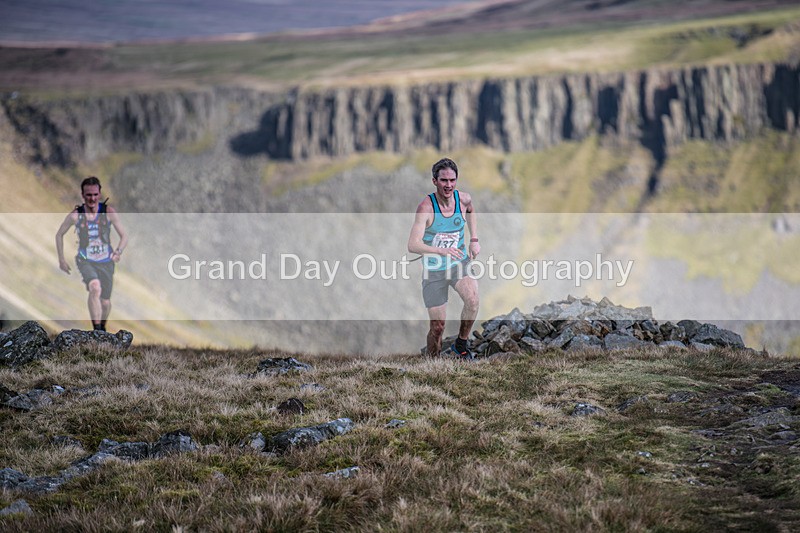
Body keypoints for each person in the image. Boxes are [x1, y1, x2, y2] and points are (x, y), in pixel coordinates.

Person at [408, 158, 480, 358]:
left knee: (473, 300)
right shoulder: (426, 208)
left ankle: (461, 347)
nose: (448, 185)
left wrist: (474, 239)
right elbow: (413, 245)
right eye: (443, 180)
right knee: (438, 327)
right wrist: (442, 251)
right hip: (435, 269)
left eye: (452, 180)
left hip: (459, 263)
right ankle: (433, 362)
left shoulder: (463, 199)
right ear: (434, 181)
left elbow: (471, 211)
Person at [56, 177, 128, 332]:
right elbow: (59, 234)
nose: (92, 198)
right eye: (88, 195)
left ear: (100, 194)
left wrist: (118, 252)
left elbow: (124, 236)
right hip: (85, 260)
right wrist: (61, 260)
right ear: (83, 195)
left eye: (95, 194)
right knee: (95, 287)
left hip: (106, 261)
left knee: (105, 302)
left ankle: (102, 325)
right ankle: (96, 330)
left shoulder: (108, 212)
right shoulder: (76, 215)